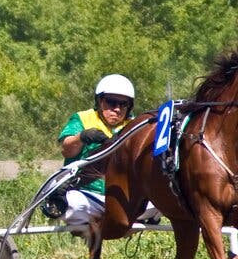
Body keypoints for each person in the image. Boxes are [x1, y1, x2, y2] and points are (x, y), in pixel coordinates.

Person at [55, 73, 160, 230]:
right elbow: (66, 150)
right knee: (72, 204)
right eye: (111, 102)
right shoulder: (82, 119)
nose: (116, 109)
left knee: (164, 201)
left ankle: (125, 220)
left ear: (129, 106)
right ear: (99, 101)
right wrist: (82, 137)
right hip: (87, 195)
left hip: (124, 199)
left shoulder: (135, 126)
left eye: (123, 104)